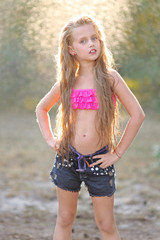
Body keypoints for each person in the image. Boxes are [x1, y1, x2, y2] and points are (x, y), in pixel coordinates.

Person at [35, 15, 145, 240]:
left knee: (106, 224)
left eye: (94, 38)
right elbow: (41, 108)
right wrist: (50, 139)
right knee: (65, 218)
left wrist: (117, 153)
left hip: (99, 160)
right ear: (71, 49)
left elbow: (138, 115)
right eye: (83, 41)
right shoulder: (67, 81)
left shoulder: (110, 78)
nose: (91, 43)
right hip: (68, 159)